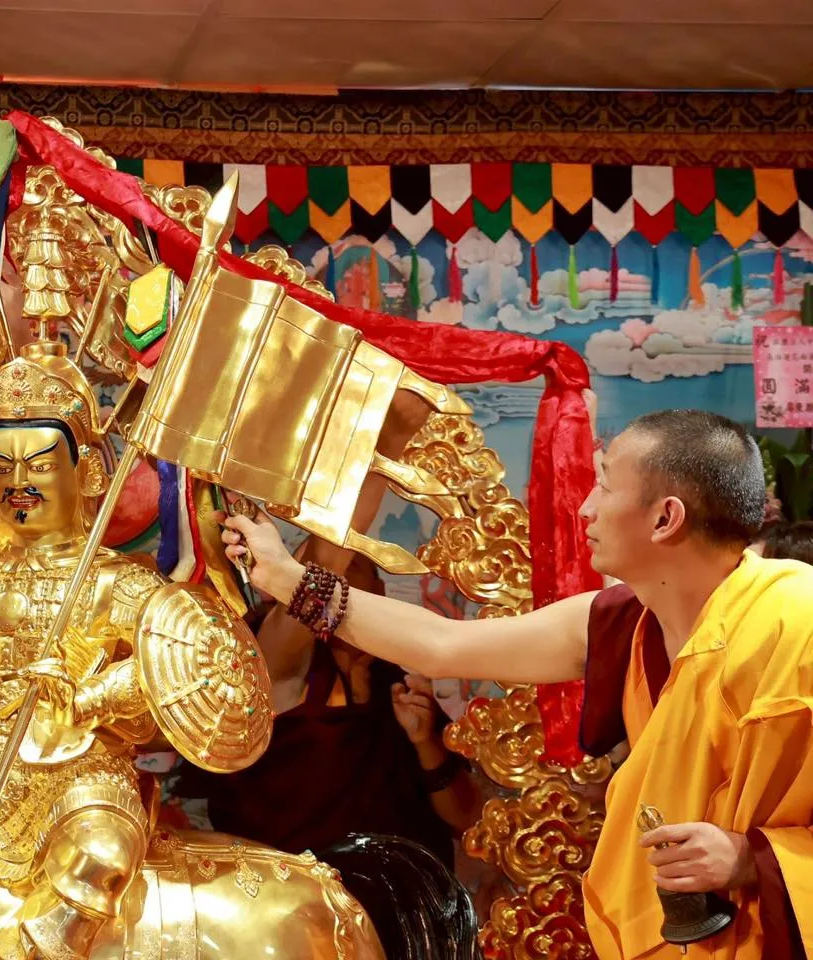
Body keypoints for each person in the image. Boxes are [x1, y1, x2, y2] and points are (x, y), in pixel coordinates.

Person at [223, 409, 813, 960]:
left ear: (665, 518)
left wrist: (750, 860)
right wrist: (288, 578)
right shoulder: (624, 623)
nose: (586, 509)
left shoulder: (796, 622)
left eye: (605, 486)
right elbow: (442, 645)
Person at [175, 549, 479, 866]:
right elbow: (315, 580)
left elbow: (468, 821)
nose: (338, 578)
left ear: (379, 592)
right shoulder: (278, 666)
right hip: (292, 888)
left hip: (401, 890)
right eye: (331, 568)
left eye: (353, 565)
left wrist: (424, 742)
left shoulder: (402, 689)